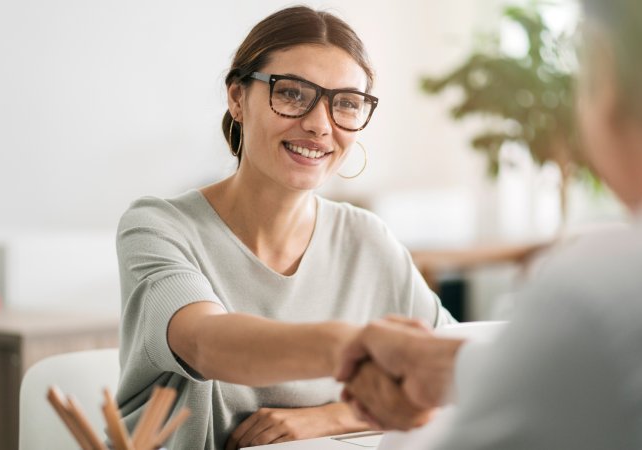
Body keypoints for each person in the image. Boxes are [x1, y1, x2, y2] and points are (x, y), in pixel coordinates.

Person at [337, 0, 642, 448]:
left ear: (604, 75)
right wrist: (459, 367)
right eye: (292, 94)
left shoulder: (604, 294)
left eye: (346, 103)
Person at [114, 6, 455, 450]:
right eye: (293, 94)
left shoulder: (368, 239)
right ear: (237, 98)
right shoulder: (159, 226)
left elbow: (447, 375)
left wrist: (332, 417)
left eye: (346, 104)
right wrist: (353, 347)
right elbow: (205, 343)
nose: (319, 125)